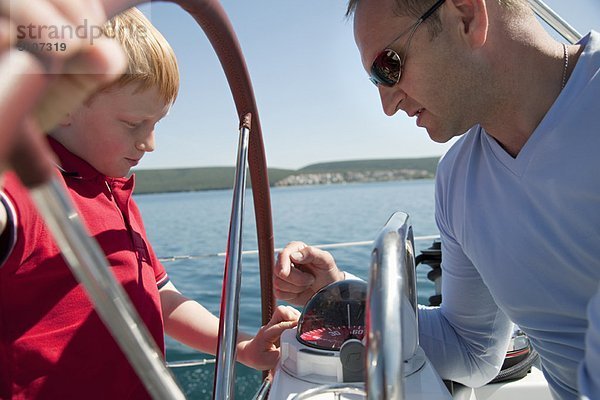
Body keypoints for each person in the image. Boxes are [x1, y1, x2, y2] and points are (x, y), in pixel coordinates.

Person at [273, 0, 600, 399]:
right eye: (375, 81)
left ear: (466, 16)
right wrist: (344, 295)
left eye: (388, 67)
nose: (387, 104)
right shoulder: (459, 181)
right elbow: (470, 349)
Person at [0, 7, 299, 399]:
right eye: (133, 124)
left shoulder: (113, 194)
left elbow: (160, 297)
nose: (149, 143)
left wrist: (240, 346)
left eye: (156, 124)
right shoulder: (24, 190)